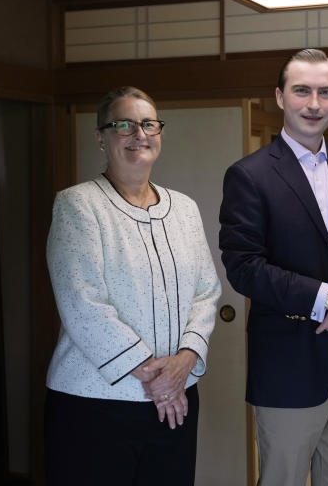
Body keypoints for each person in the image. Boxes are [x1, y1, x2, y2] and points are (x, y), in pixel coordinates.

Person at [219, 49, 328, 486]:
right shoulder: (250, 175)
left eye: (325, 92)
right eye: (302, 91)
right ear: (280, 97)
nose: (314, 103)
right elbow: (243, 267)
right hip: (288, 367)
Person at [44, 86, 221, 486]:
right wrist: (157, 378)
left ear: (160, 132)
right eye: (122, 124)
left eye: (148, 124)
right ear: (101, 137)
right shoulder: (78, 205)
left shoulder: (185, 209)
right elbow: (82, 302)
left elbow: (207, 292)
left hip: (177, 396)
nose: (138, 133)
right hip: (94, 404)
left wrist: (184, 363)